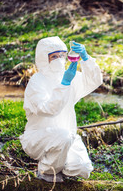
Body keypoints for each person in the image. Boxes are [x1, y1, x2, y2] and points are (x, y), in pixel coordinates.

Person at [19, 36, 103, 182]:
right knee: (63, 137)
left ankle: (59, 164)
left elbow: (94, 81)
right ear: (44, 59)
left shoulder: (69, 76)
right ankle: (46, 170)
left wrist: (86, 58)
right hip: (39, 137)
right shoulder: (37, 82)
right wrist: (64, 84)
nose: (59, 59)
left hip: (66, 137)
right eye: (54, 56)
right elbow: (48, 110)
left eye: (62, 55)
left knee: (82, 167)